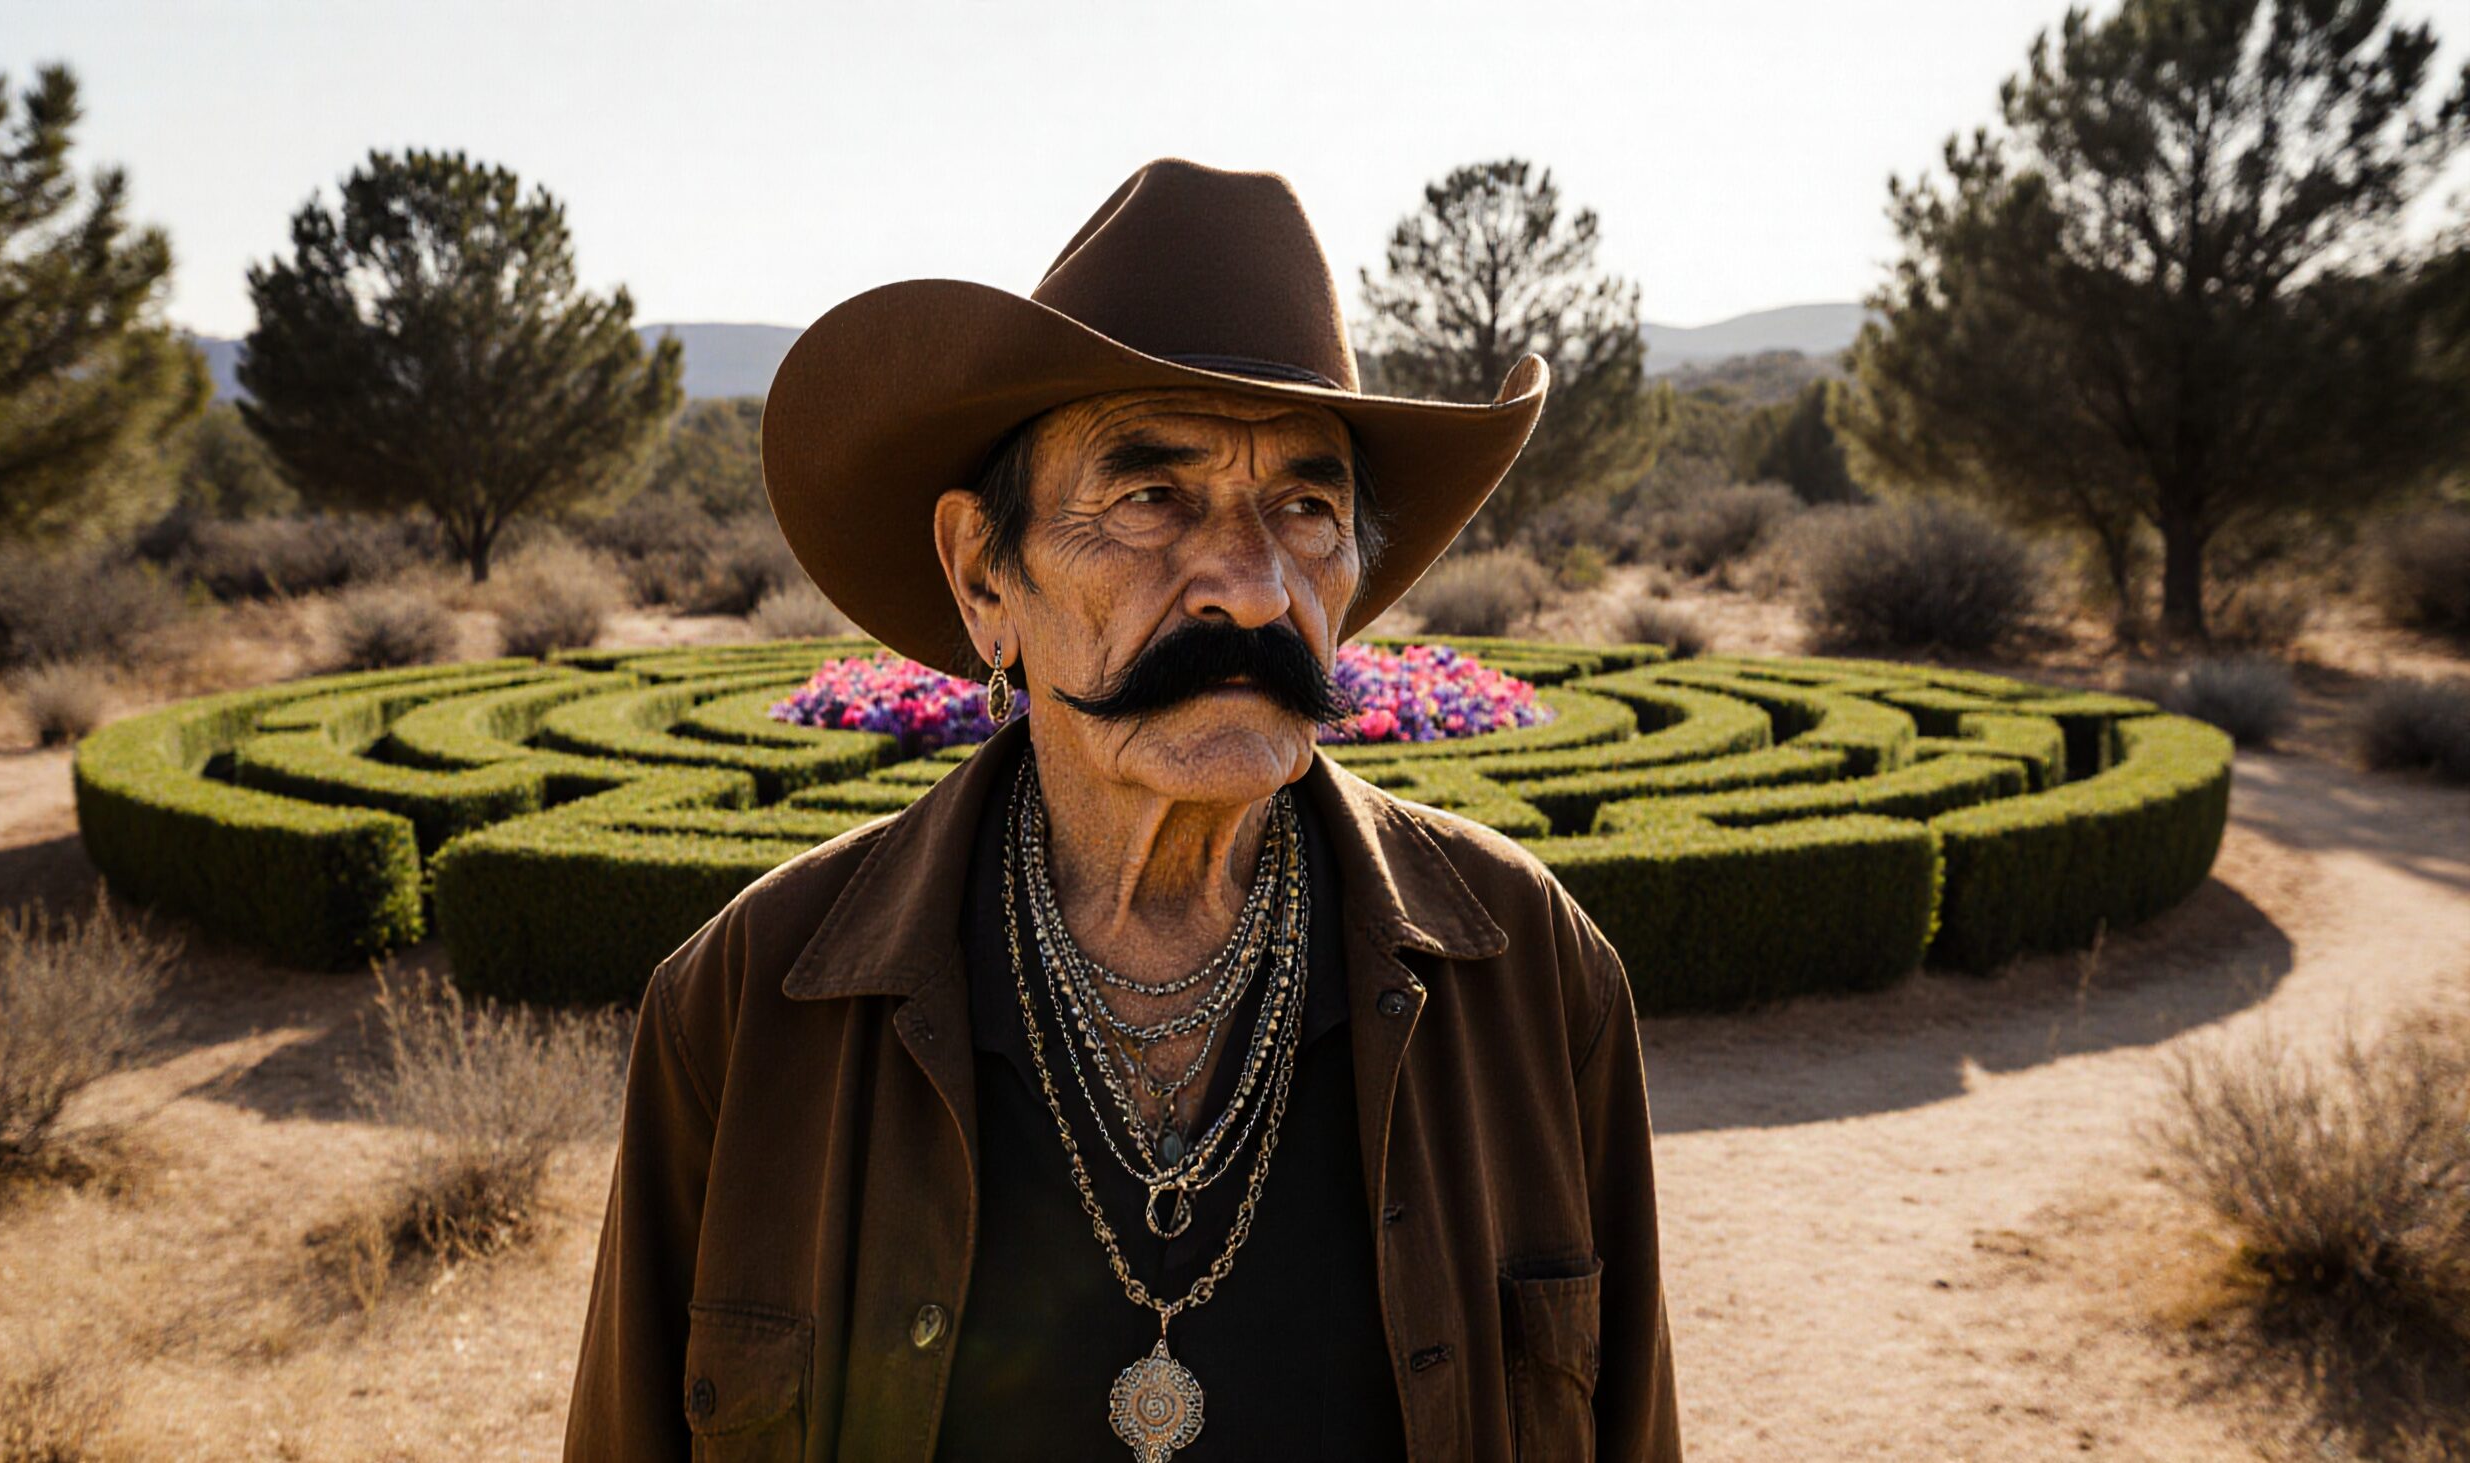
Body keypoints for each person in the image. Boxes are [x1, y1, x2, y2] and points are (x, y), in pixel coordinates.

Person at [563, 156, 1680, 1463]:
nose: (1254, 590)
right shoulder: (747, 1007)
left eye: (1307, 506)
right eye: (1152, 499)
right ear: (985, 576)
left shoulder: (1536, 973)